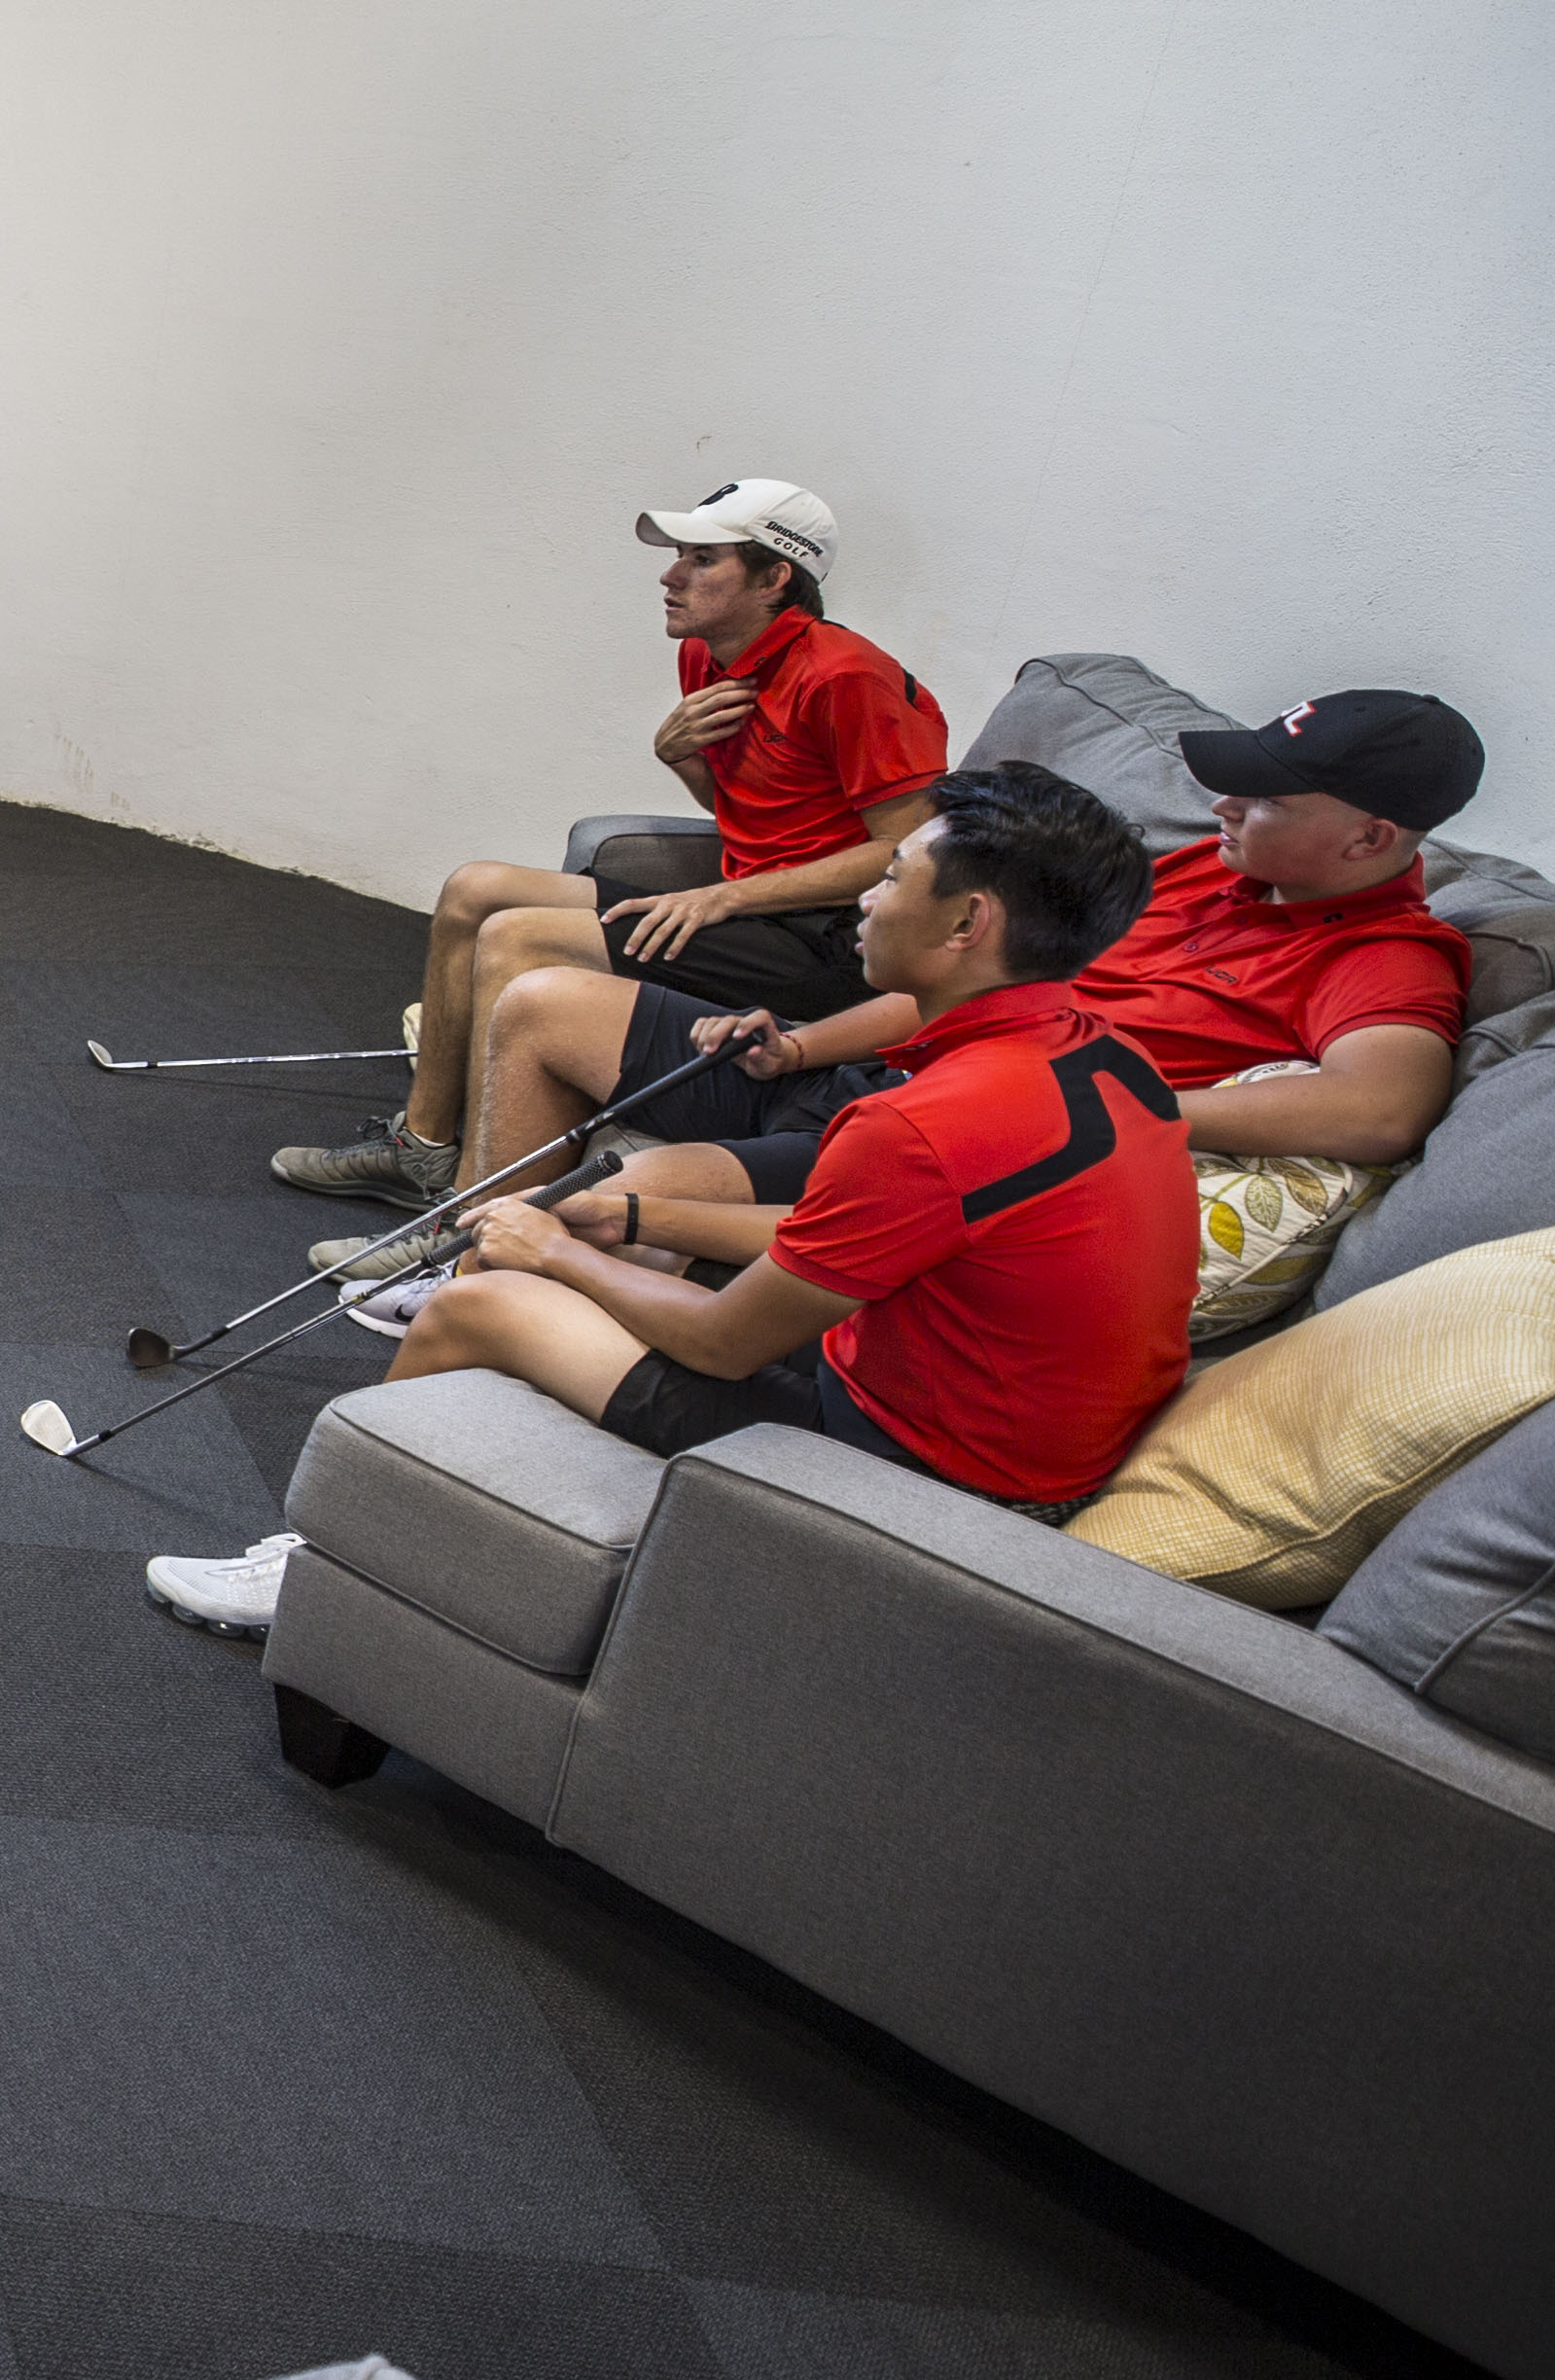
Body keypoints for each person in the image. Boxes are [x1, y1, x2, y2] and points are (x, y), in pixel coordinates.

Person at [151, 764, 1197, 1637]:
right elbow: (869, 1243)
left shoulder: (921, 1124)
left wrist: (549, 1250)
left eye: (891, 877)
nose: (869, 901)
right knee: (631, 1239)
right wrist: (631, 1218)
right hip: (993, 1422)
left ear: (969, 921)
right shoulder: (1104, 1058)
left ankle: (317, 1573)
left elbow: (724, 1346)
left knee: (480, 1302)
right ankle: (464, 1508)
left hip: (921, 1477)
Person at [442, 688, 1485, 1239]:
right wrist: (797, 1046)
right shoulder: (1199, 872)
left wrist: (1121, 1105)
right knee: (542, 1000)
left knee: (650, 1189)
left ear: (1368, 837)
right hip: (860, 1073)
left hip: (938, 1136)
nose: (1225, 805)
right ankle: (452, 1234)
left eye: (1265, 801)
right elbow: (970, 981)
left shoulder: (1390, 956)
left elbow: (1379, 1111)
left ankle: (477, 1279)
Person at [279, 479, 945, 1210]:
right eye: (679, 555)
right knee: (475, 888)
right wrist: (681, 758)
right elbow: (752, 810)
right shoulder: (707, 655)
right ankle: (425, 1149)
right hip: (749, 909)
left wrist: (722, 898)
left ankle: (478, 1206)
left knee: (518, 937)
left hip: (828, 939)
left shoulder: (850, 677)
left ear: (774, 578)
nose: (670, 576)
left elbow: (905, 852)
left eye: (701, 560)